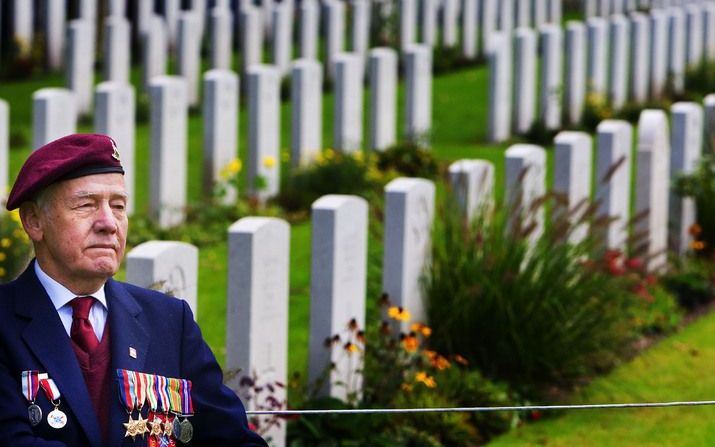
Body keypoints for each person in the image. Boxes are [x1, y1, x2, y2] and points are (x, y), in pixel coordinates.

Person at [0, 134, 268, 447]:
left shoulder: (169, 319)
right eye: (86, 205)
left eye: (118, 206)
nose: (109, 223)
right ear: (34, 221)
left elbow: (231, 438)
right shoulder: (5, 322)